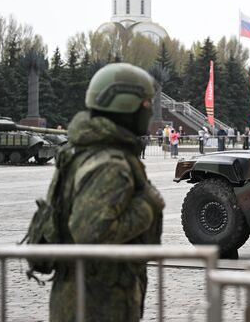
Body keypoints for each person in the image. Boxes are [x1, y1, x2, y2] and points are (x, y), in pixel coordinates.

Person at [47, 63, 165, 322]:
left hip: (87, 295)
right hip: (98, 302)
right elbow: (92, 236)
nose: (151, 112)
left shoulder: (86, 150)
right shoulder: (108, 165)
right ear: (125, 105)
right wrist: (147, 204)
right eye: (147, 105)